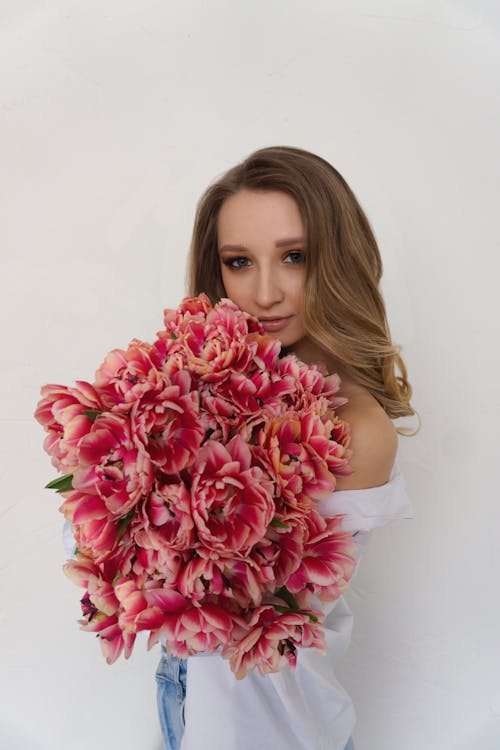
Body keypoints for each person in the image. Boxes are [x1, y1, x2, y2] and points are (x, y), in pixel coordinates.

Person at [155, 145, 417, 750]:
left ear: (336, 260)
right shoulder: (210, 385)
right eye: (239, 261)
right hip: (187, 694)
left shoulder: (358, 428)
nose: (265, 292)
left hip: (271, 726)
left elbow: (248, 604)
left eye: (294, 257)